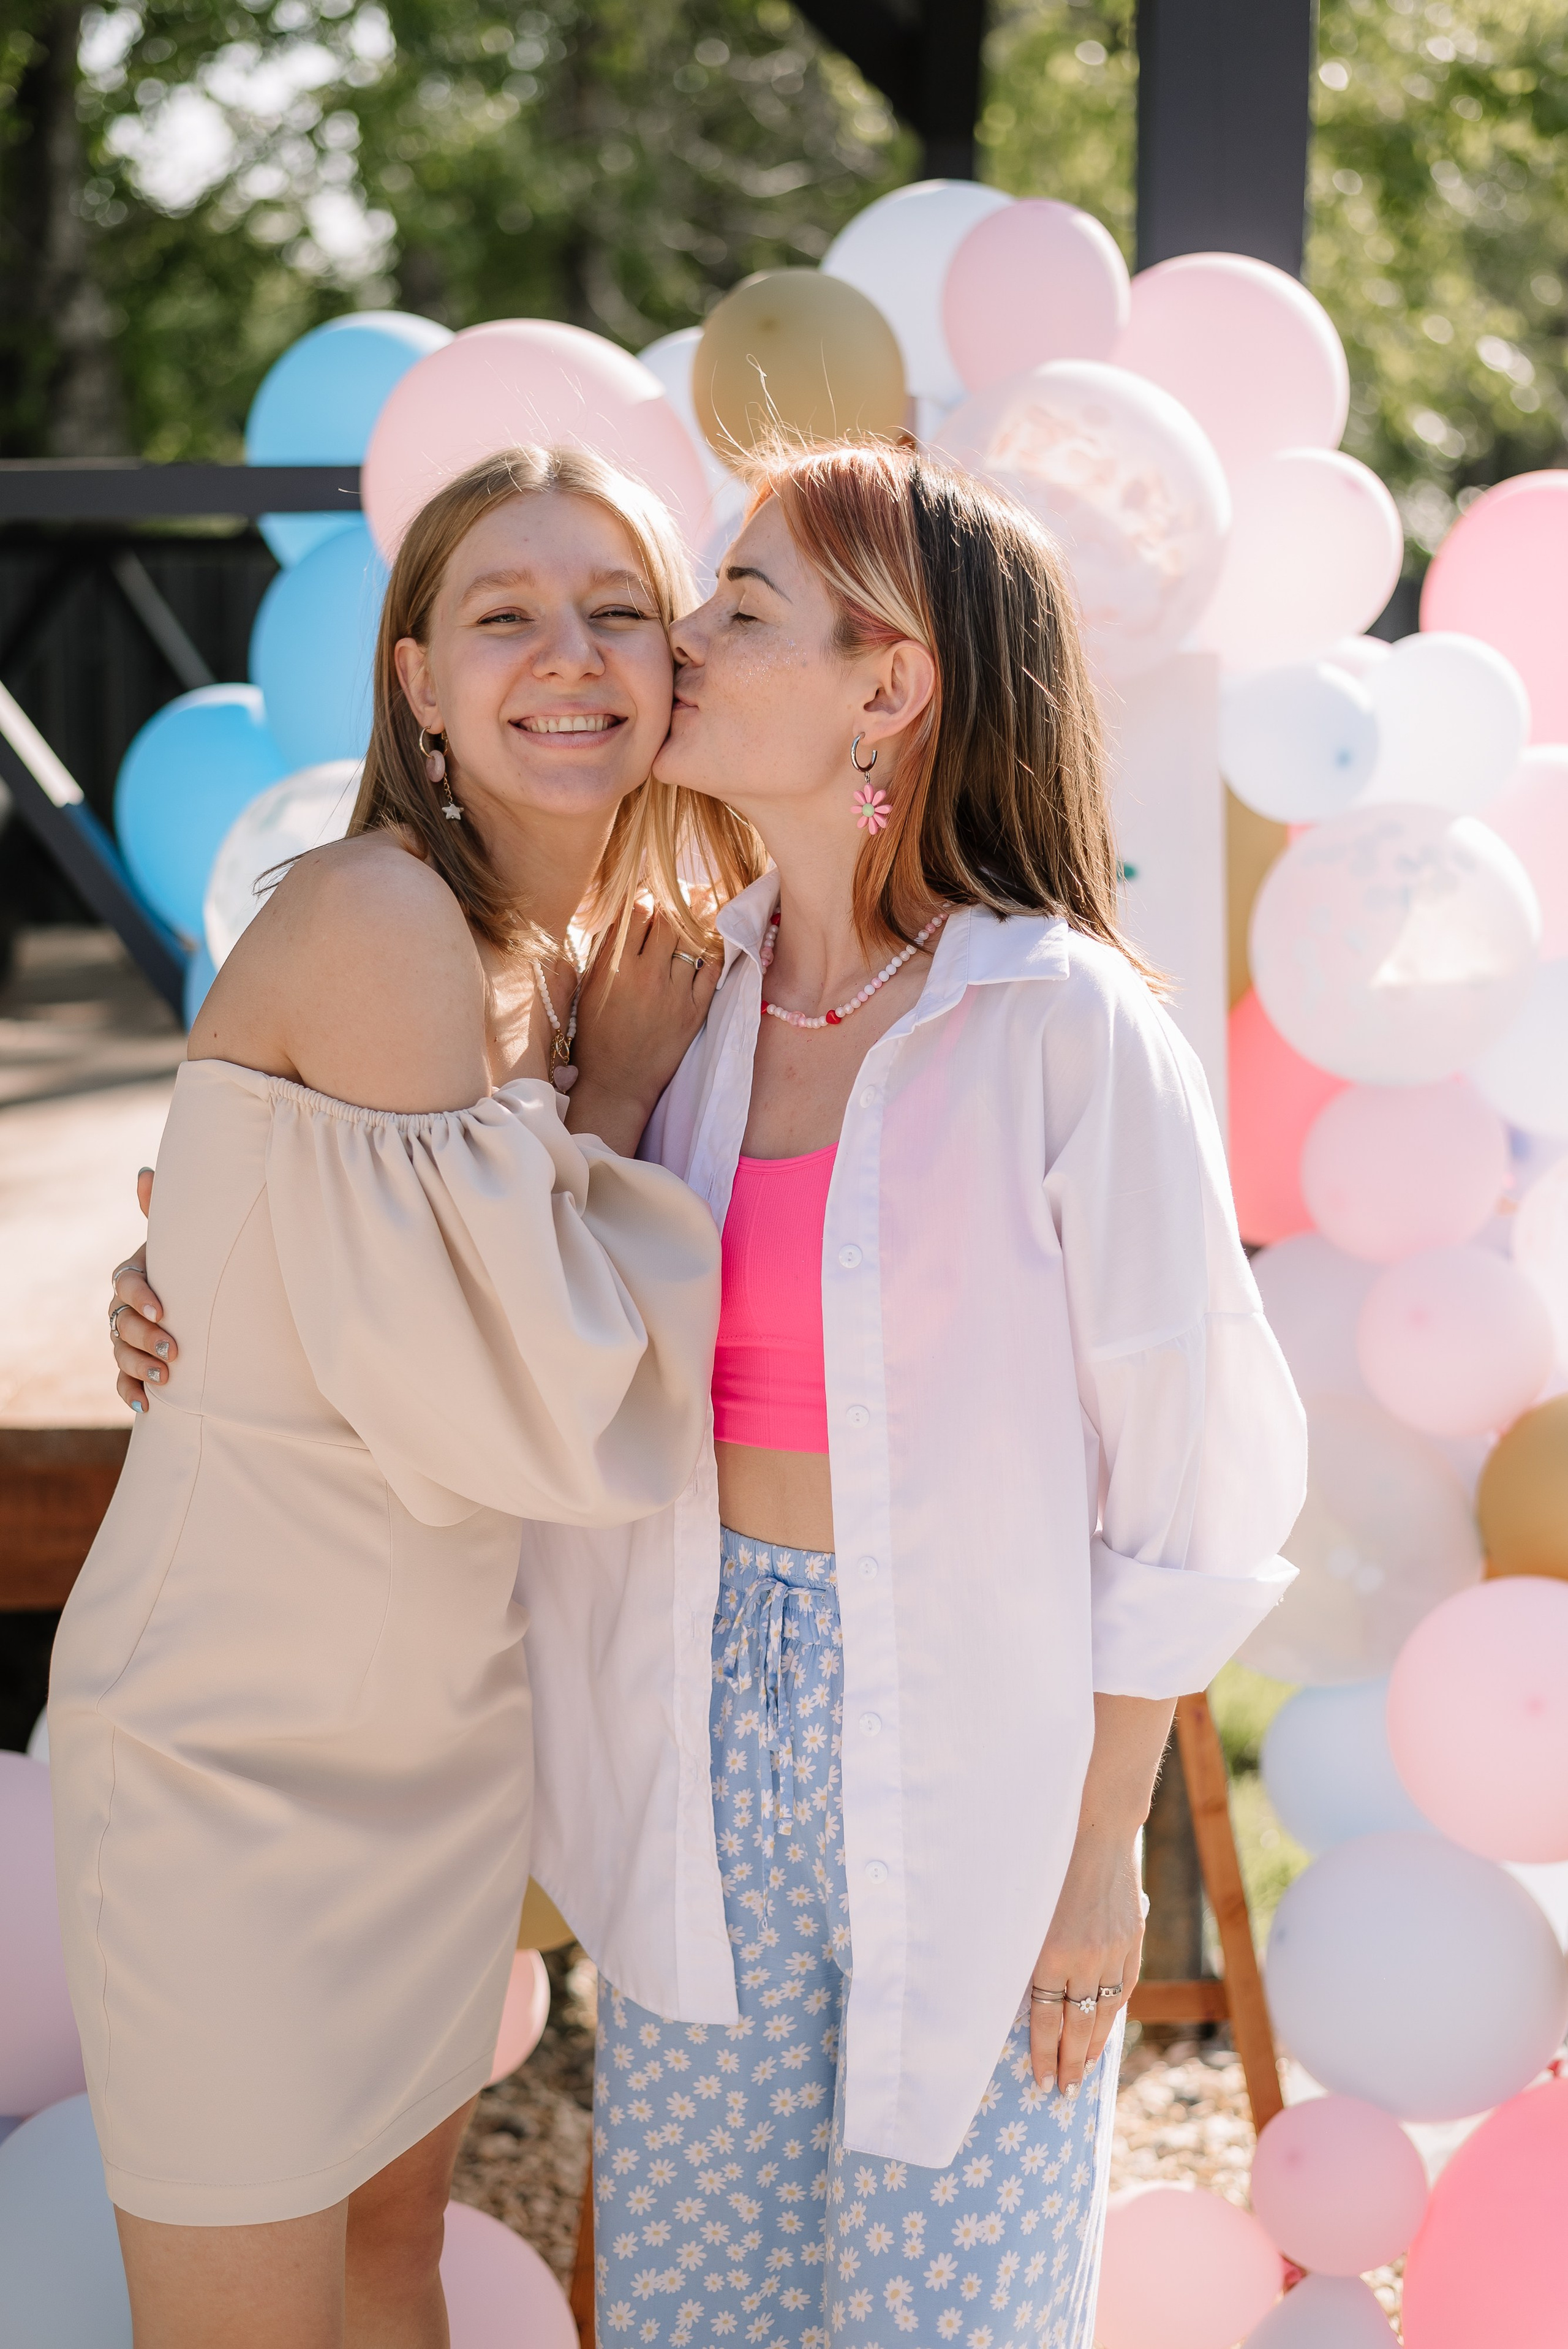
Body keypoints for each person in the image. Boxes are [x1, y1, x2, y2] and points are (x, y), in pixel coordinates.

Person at [110, 440, 1306, 2349]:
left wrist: (1103, 1857)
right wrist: (175, 1281)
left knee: (945, 2314)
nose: (672, 640)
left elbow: (1192, 1481)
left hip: (971, 1755)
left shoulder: (1062, 1027)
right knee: (693, 2310)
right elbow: (408, 1225)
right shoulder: (669, 1007)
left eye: (733, 610)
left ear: (887, 687)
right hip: (685, 1737)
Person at [58, 443, 758, 2349]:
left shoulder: (575, 959)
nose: (571, 653)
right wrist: (609, 1110)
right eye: (504, 613)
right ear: (417, 680)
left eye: (620, 608)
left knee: (390, 2269)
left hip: (440, 1744)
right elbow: (524, 1401)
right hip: (228, 1758)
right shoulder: (380, 922)